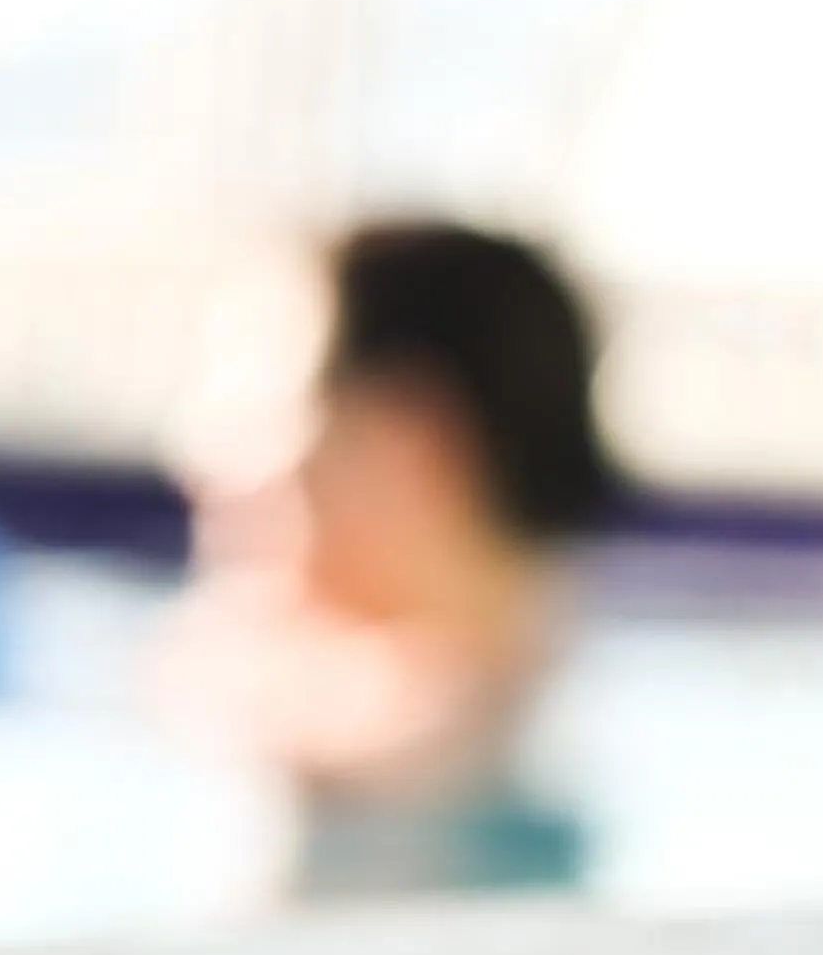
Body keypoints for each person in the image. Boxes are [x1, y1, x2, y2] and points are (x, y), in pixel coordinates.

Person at [156, 220, 625, 893]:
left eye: (250, 401)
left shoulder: (389, 759)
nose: (197, 455)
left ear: (412, 443)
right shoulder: (573, 691)